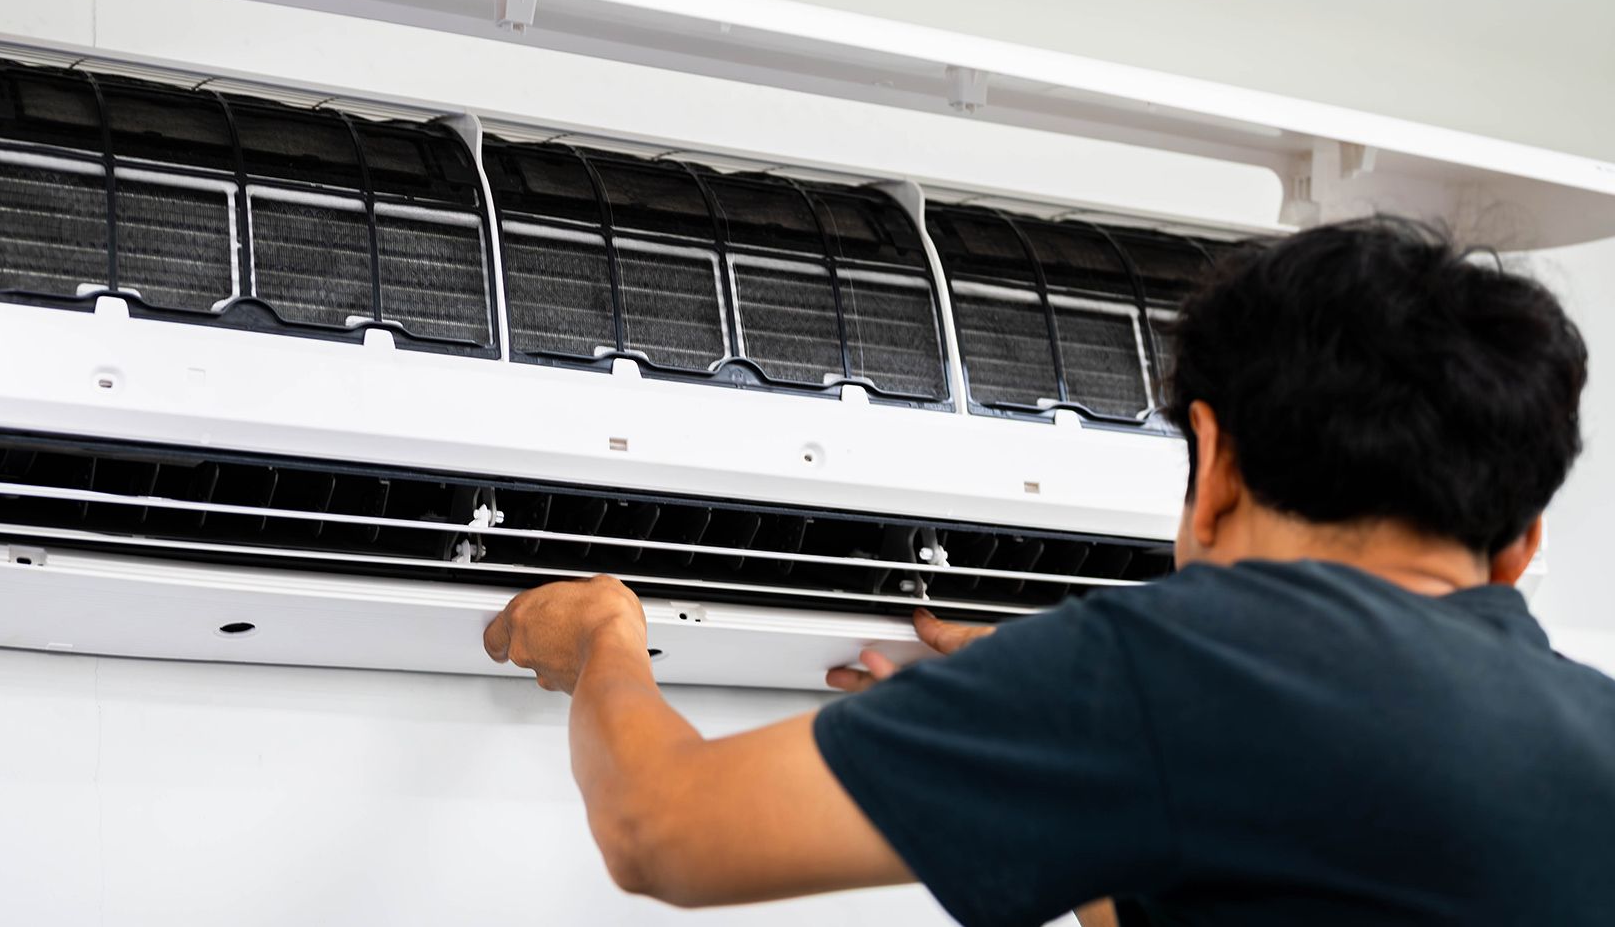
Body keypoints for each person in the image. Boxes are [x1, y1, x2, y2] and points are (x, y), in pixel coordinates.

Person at [482, 218, 1615, 926]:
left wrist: (605, 639)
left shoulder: (1170, 671)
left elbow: (661, 830)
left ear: (1213, 463)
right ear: (1521, 538)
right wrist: (1055, 768)